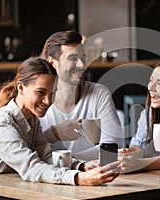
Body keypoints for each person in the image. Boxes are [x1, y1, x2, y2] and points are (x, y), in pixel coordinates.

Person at [0, 57, 119, 186]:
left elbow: (45, 155)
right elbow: (31, 167)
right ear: (20, 87)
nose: (48, 101)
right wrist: (78, 178)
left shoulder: (32, 118)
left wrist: (80, 166)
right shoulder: (1, 125)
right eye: (40, 92)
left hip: (10, 187)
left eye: (52, 94)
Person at [39, 30, 124, 165]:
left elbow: (112, 147)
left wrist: (66, 160)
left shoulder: (99, 94)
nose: (82, 65)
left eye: (83, 58)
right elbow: (32, 152)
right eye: (73, 58)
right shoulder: (38, 102)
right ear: (52, 62)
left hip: (95, 177)